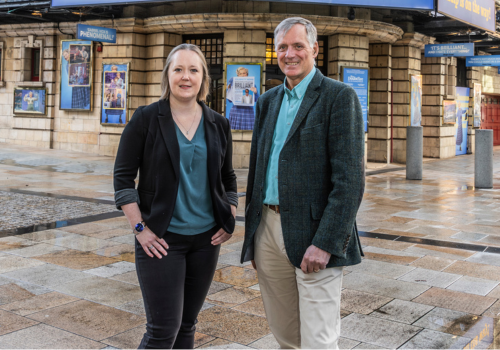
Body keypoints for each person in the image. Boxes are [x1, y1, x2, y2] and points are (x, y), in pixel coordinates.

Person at [241, 17, 365, 349]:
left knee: (319, 340)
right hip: (267, 229)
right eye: (282, 47)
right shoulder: (267, 102)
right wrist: (252, 235)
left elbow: (349, 181)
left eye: (298, 45)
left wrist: (325, 242)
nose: (289, 54)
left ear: (314, 49)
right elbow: (257, 171)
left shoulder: (339, 97)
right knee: (285, 336)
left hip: (314, 234)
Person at [113, 43, 238, 349]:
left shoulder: (218, 123)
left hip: (206, 242)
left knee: (186, 326)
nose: (186, 76)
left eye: (193, 70)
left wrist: (230, 213)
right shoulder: (145, 119)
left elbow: (229, 177)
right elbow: (122, 179)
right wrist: (139, 229)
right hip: (161, 239)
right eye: (178, 69)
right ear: (167, 75)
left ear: (203, 78)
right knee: (162, 330)